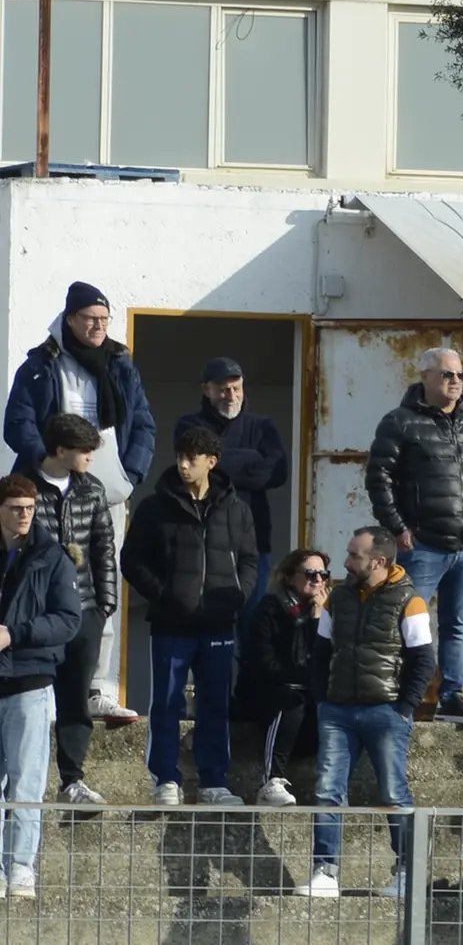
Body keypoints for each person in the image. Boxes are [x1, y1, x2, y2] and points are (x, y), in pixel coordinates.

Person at [4, 285, 153, 679]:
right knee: (38, 578)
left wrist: (131, 476)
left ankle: (96, 684)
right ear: (70, 319)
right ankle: (37, 674)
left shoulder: (121, 363)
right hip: (48, 490)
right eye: (90, 319)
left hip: (107, 494)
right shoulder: (41, 364)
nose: (98, 326)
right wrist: (45, 462)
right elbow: (18, 423)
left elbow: (143, 424)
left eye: (104, 319)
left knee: (101, 582)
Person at [363, 347, 463, 727]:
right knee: (408, 621)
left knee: (457, 624)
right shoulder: (400, 422)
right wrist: (397, 528)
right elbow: (379, 478)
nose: (455, 381)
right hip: (422, 544)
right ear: (424, 376)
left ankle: (452, 697)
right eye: (446, 374)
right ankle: (403, 696)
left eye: (459, 375)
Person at [126, 420, 256, 805]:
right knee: (166, 702)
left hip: (218, 622)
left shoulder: (237, 509)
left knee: (216, 702)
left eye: (192, 458)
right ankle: (165, 779)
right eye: (180, 457)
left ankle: (214, 782)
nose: (184, 465)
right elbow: (132, 561)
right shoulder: (154, 507)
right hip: (171, 624)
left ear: (211, 461)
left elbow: (250, 560)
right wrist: (164, 596)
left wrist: (237, 596)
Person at [303, 525, 433, 901]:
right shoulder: (338, 598)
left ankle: (408, 872)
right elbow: (321, 651)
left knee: (394, 792)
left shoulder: (410, 600)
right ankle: (325, 871)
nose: (345, 562)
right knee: (328, 790)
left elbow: (423, 661)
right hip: (337, 709)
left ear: (378, 561)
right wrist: (322, 698)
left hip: (386, 710)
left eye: (354, 555)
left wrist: (405, 708)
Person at [0, 475, 81, 900]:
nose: (24, 515)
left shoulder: (52, 557)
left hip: (30, 680)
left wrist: (15, 633)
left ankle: (21, 867)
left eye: (30, 508)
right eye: (16, 508)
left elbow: (68, 620)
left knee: (27, 781)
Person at [26, 413, 114, 802]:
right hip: (36, 614)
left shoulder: (92, 490)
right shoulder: (24, 489)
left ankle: (72, 779)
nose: (90, 459)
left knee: (76, 698)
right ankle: (22, 784)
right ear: (60, 450)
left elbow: (104, 549)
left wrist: (105, 604)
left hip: (85, 610)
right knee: (28, 701)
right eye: (85, 452)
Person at [233, 547, 327, 807]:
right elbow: (262, 659)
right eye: (310, 573)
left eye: (323, 574)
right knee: (291, 700)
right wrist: (294, 677)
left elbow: (321, 658)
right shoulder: (271, 608)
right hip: (267, 690)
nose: (318, 580)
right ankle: (271, 780)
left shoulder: (324, 614)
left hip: (304, 691)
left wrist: (316, 620)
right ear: (290, 577)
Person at [188, 357, 283, 595]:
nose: (231, 396)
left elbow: (278, 472)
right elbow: (192, 472)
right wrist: (252, 457)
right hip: (205, 539)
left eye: (236, 388)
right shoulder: (190, 425)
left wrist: (216, 465)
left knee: (252, 617)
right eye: (223, 390)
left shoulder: (262, 426)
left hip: (255, 539)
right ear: (206, 389)